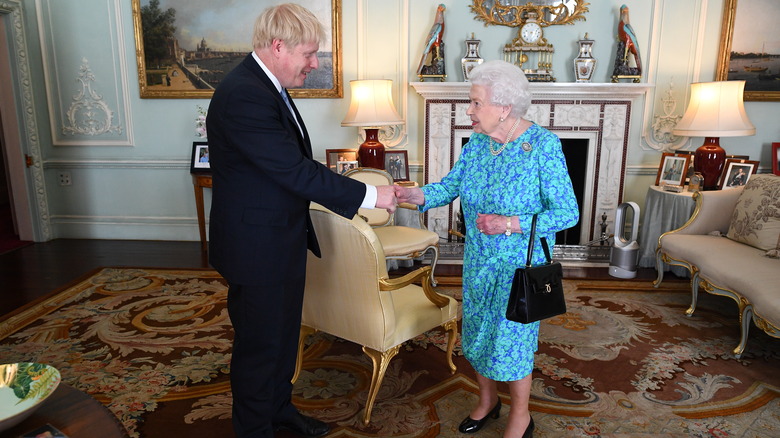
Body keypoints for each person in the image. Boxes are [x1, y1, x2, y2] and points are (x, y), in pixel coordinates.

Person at [205, 4, 397, 437]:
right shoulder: (244, 94)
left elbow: (289, 165)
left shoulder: (266, 85)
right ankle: (256, 429)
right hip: (255, 247)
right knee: (260, 347)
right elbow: (293, 169)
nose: (315, 64)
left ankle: (279, 412)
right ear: (278, 47)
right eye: (310, 54)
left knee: (282, 337)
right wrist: (371, 193)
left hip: (279, 239)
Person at [395, 60, 579, 438]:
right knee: (478, 333)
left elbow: (567, 212)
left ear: (504, 108)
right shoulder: (478, 144)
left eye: (476, 103)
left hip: (519, 267)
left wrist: (509, 223)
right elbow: (449, 187)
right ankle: (487, 401)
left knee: (512, 341)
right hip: (478, 262)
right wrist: (413, 195)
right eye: (471, 102)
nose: (469, 110)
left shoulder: (543, 146)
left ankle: (521, 416)